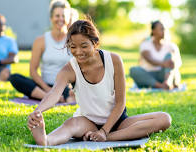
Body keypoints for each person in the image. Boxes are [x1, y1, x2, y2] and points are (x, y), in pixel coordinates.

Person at [27, 19, 171, 146]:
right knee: (70, 124)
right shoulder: (69, 69)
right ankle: (46, 140)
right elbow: (54, 93)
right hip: (88, 123)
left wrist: (104, 132)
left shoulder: (114, 60)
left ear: (95, 43)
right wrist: (38, 111)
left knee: (164, 119)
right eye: (72, 47)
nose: (78, 52)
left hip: (117, 122)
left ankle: (107, 138)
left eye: (84, 46)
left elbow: (120, 103)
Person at [9, 0, 74, 103]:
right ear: (51, 18)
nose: (60, 19)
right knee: (14, 78)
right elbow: (33, 71)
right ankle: (50, 97)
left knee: (74, 92)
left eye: (63, 16)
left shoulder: (73, 40)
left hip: (65, 86)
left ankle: (56, 97)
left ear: (68, 18)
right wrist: (47, 89)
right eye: (57, 16)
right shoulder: (41, 40)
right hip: (44, 86)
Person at [129, 21, 182, 89]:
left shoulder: (171, 46)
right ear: (153, 31)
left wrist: (172, 63)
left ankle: (167, 82)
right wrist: (163, 63)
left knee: (169, 57)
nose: (164, 31)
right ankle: (161, 86)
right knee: (133, 70)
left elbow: (177, 63)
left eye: (165, 29)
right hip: (149, 74)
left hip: (165, 74)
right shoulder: (145, 44)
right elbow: (149, 58)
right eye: (161, 29)